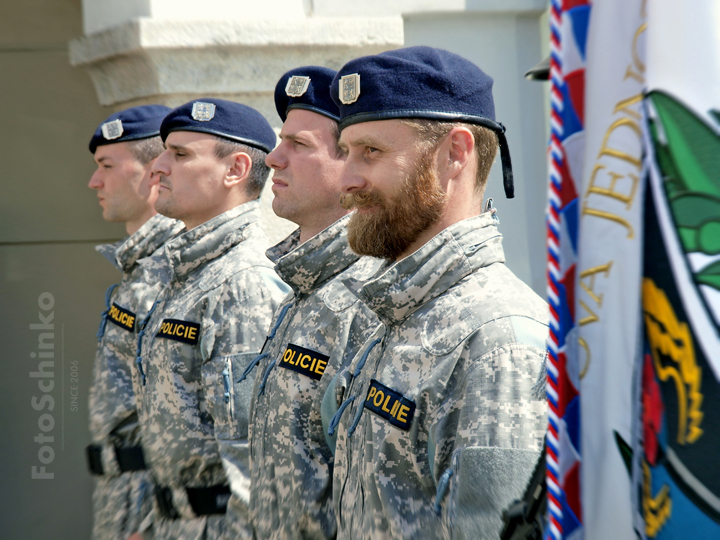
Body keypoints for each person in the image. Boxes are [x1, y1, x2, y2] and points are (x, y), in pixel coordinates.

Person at [323, 46, 549, 539]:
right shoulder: (391, 313)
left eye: (371, 152)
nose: (346, 180)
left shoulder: (497, 339)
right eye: (346, 152)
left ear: (455, 154)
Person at [134, 98, 289, 539]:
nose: (157, 167)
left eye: (180, 154)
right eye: (164, 151)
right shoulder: (188, 273)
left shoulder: (243, 284)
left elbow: (252, 463)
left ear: (236, 170)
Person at [244, 66, 381, 540]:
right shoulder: (302, 289)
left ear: (352, 165)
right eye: (282, 141)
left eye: (298, 145)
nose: (274, 159)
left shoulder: (370, 295)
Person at [86, 104, 183, 540]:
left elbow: (183, 417)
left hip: (149, 503)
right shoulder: (141, 269)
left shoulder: (173, 271)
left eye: (107, 166)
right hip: (120, 494)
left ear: (152, 171)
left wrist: (149, 524)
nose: (95, 181)